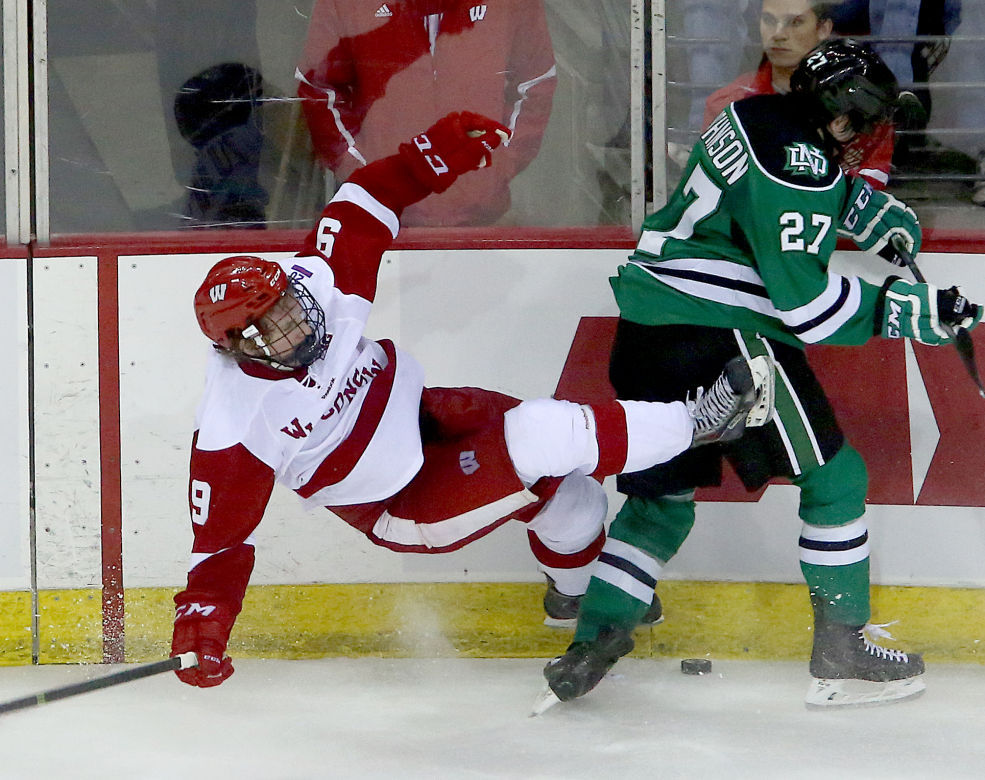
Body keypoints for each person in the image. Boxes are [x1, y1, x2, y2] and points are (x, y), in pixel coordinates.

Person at [168, 110, 775, 688]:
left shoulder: (316, 287)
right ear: (240, 348)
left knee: (576, 501)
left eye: (290, 308)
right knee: (542, 432)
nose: (297, 325)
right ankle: (700, 420)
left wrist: (433, 154)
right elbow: (218, 548)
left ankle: (572, 596)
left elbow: (364, 198)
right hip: (401, 499)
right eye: (273, 329)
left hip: (425, 414)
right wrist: (202, 626)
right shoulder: (234, 423)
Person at [540, 39, 981, 710]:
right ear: (840, 113)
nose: (863, 137)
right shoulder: (800, 166)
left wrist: (859, 210)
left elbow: (760, 203)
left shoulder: (753, 116)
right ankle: (840, 649)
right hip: (728, 339)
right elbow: (805, 305)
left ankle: (591, 643)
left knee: (660, 508)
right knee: (836, 479)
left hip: (646, 332)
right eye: (861, 122)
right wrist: (911, 310)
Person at [295, 0, 557, 227]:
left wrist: (498, 164)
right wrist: (365, 174)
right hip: (378, 216)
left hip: (482, 221)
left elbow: (534, 82)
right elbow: (319, 88)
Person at [702, 0, 897, 190]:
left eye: (795, 22)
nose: (778, 34)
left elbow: (867, 194)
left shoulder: (862, 102)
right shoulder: (727, 105)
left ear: (823, 29)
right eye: (769, 20)